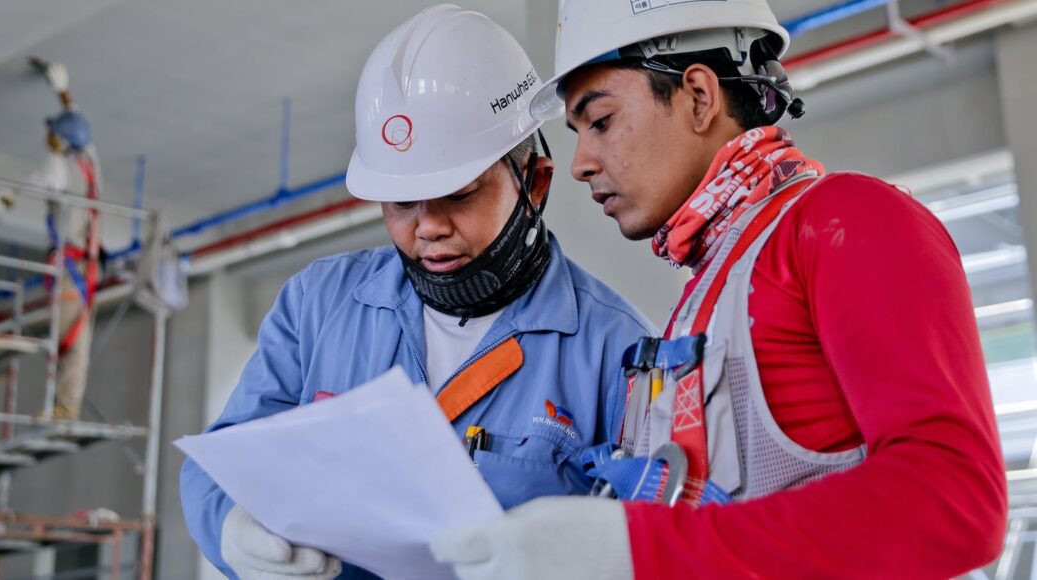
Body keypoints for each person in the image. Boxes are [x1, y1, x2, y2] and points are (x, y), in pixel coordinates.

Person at [430, 2, 1007, 578]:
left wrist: (639, 548)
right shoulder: (708, 294)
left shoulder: (846, 220)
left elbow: (954, 500)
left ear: (700, 97)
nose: (580, 163)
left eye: (600, 121)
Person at [180, 5, 656, 579]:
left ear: (535, 180)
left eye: (458, 194)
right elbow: (225, 458)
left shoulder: (619, 352)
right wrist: (231, 526)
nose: (427, 227)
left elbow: (649, 540)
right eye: (402, 201)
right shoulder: (316, 306)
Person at [29, 59, 104, 420]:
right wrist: (62, 91)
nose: (47, 137)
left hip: (70, 267)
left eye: (52, 133)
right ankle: (65, 404)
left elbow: (36, 180)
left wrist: (8, 197)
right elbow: (78, 125)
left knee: (66, 340)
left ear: (59, 141)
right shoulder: (89, 162)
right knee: (75, 337)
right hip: (84, 265)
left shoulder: (59, 169)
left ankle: (62, 406)